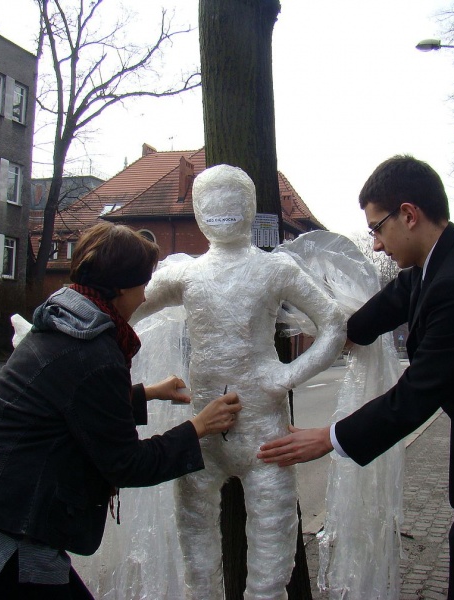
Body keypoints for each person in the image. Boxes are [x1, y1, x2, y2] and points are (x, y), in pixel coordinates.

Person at [259, 155, 454, 600]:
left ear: (408, 214)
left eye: (377, 229)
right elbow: (393, 301)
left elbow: (417, 395)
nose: (377, 245)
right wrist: (340, 334)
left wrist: (328, 438)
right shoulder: (443, 260)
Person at [0, 221, 241, 600]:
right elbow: (126, 464)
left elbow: (72, 403)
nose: (145, 296)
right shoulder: (95, 351)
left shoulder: (64, 319)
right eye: (143, 283)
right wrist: (198, 427)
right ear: (121, 288)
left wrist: (148, 393)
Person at [128, 164, 346, 600]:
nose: (221, 210)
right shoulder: (187, 275)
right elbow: (123, 312)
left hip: (260, 431)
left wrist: (286, 376)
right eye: (212, 201)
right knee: (200, 559)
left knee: (268, 558)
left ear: (247, 207)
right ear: (198, 209)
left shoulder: (273, 270)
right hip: (205, 432)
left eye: (230, 200)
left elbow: (333, 323)